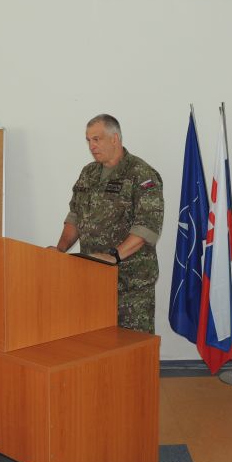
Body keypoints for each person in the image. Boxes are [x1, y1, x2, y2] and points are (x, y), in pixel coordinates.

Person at [53, 114, 164, 334]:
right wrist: (59, 250)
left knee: (132, 348)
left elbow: (147, 227)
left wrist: (114, 256)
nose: (91, 146)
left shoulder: (141, 174)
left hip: (130, 285)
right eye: (88, 140)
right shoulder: (89, 173)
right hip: (92, 280)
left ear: (115, 139)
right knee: (96, 345)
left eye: (97, 139)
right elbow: (75, 215)